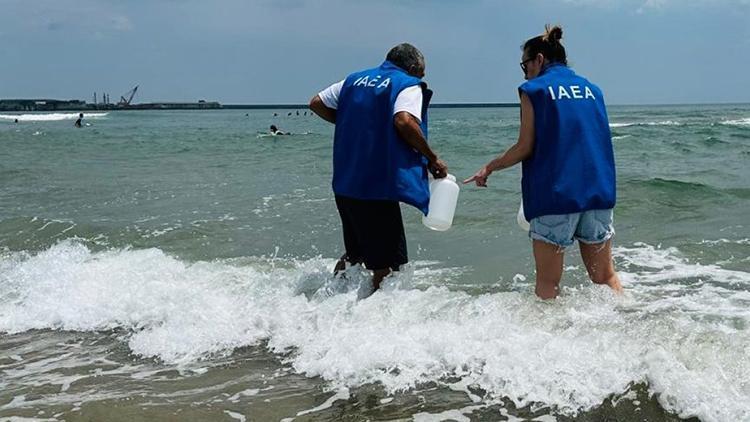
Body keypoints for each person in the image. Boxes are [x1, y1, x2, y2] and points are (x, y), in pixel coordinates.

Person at [464, 25, 622, 299]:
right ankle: (628, 325)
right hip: (598, 193)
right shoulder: (592, 90)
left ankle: (548, 340)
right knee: (605, 277)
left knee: (549, 283)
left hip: (557, 195)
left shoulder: (534, 90)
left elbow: (525, 147)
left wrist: (489, 167)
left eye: (524, 64)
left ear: (539, 59)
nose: (524, 71)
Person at [309, 43, 448, 295]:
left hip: (345, 182)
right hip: (377, 186)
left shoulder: (353, 80)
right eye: (421, 73)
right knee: (389, 266)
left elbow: (316, 102)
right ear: (414, 67)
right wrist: (432, 158)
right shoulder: (406, 84)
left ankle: (329, 298)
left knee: (356, 253)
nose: (421, 78)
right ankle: (370, 321)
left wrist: (349, 123)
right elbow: (404, 121)